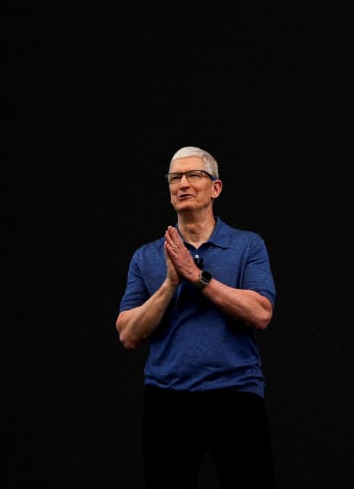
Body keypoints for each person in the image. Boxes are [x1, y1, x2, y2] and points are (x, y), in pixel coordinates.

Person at [116, 146, 277, 488]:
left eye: (194, 176)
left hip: (235, 393)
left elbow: (260, 313)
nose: (183, 184)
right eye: (175, 178)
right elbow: (128, 334)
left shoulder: (247, 246)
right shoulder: (146, 257)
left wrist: (198, 277)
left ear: (215, 188)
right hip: (167, 399)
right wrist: (170, 284)